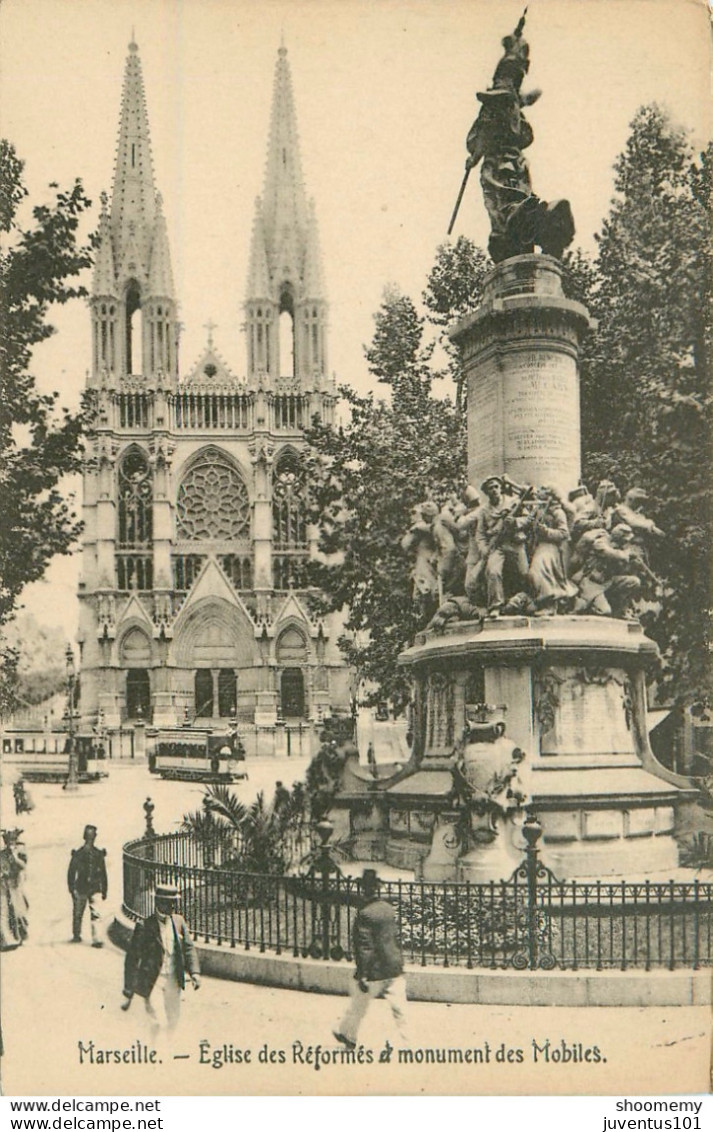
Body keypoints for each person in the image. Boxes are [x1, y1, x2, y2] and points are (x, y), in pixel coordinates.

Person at [333, 869, 408, 1049]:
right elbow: (394, 937)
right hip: (394, 966)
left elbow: (365, 947)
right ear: (378, 888)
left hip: (375, 970)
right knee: (400, 1010)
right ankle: (408, 1044)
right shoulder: (388, 909)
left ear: (363, 890)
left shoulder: (365, 914)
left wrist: (363, 974)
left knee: (359, 1005)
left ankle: (347, 1034)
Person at [121, 883, 200, 1033]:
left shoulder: (179, 922)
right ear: (157, 902)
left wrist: (194, 973)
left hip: (173, 979)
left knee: (173, 1020)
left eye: (173, 902)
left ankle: (167, 1051)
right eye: (166, 902)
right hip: (153, 981)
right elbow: (132, 958)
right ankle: (155, 1052)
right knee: (157, 1022)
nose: (171, 906)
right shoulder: (144, 926)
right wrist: (128, 989)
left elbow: (189, 948)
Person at [475, 475, 531, 613]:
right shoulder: (483, 511)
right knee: (493, 572)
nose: (494, 490)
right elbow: (480, 534)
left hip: (515, 542)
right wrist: (484, 550)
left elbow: (528, 518)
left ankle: (527, 601)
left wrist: (516, 522)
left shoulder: (513, 502)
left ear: (501, 488)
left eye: (496, 487)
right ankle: (496, 606)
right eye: (490, 488)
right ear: (486, 492)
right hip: (497, 545)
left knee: (524, 574)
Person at [67, 824, 107, 947]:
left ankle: (97, 939)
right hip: (81, 887)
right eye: (89, 837)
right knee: (78, 912)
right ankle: (76, 934)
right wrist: (72, 888)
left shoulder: (98, 854)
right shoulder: (78, 854)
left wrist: (104, 889)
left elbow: (103, 873)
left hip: (95, 888)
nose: (90, 839)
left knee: (96, 913)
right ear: (85, 837)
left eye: (92, 837)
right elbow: (71, 872)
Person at [0, 829, 29, 951]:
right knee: (4, 912)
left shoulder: (20, 852)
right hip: (3, 885)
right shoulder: (2, 854)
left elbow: (23, 866)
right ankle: (7, 940)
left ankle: (20, 935)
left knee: (18, 912)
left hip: (16, 885)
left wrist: (14, 856)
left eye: (12, 840)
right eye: (7, 841)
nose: (10, 844)